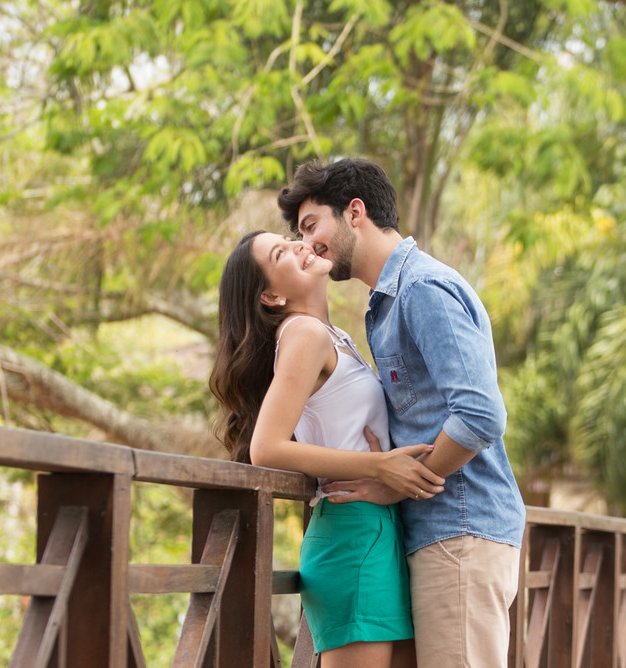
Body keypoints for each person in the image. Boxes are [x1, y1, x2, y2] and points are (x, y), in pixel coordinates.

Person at [277, 158, 526, 666]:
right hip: (432, 532)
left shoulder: (420, 289)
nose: (307, 244)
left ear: (354, 212)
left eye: (310, 226)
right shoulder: (383, 304)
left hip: (459, 528)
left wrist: (398, 481)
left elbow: (480, 413)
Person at [209, 230, 446, 668]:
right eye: (281, 252)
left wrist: (382, 471)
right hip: (350, 532)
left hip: (378, 528)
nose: (299, 244)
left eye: (289, 237)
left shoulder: (331, 336)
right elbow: (266, 448)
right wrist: (378, 466)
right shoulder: (302, 334)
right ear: (271, 296)